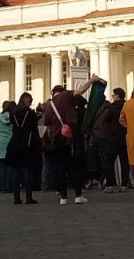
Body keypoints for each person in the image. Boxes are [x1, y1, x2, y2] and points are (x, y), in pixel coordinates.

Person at [42, 77, 101, 205]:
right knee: (73, 166)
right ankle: (78, 195)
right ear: (62, 91)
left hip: (56, 139)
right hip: (69, 136)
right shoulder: (65, 96)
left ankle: (63, 197)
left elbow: (47, 127)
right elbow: (80, 91)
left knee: (60, 167)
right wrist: (92, 80)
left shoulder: (49, 105)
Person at [6, 92, 41, 205]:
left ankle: (16, 197)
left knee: (16, 172)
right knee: (27, 171)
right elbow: (34, 131)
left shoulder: (14, 113)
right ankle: (28, 197)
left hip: (15, 143)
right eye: (29, 101)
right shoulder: (30, 113)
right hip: (27, 144)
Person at [102, 88, 130, 192]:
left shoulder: (112, 107)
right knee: (124, 162)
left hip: (113, 137)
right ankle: (124, 184)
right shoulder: (127, 105)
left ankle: (110, 184)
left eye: (113, 95)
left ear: (117, 96)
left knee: (109, 161)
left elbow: (106, 120)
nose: (112, 96)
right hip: (125, 136)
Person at [0, 101, 15, 194]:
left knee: (1, 168)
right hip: (10, 142)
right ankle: (9, 186)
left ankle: (3, 186)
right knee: (10, 166)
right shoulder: (13, 118)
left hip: (1, 143)